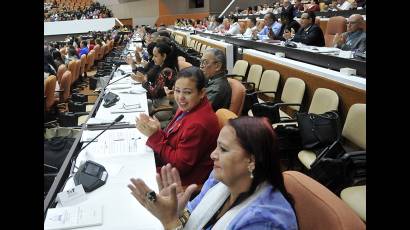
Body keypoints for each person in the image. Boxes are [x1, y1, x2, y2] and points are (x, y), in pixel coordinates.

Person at [128, 117, 298, 229]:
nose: (212, 155)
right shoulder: (220, 179)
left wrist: (170, 222)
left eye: (223, 149)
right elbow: (193, 213)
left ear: (251, 161)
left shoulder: (264, 221)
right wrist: (177, 211)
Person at [134, 66, 220, 186]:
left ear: (202, 93)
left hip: (181, 181)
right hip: (169, 167)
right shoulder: (189, 107)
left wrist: (154, 136)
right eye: (177, 91)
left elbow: (179, 166)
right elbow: (173, 140)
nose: (180, 98)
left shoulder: (198, 124)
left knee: (133, 174)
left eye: (187, 92)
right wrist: (158, 131)